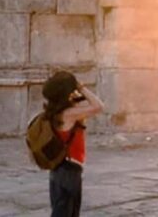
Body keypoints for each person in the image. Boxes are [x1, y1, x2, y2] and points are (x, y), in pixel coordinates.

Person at [41, 71, 104, 217]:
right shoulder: (69, 114)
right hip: (69, 169)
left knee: (62, 210)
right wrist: (80, 87)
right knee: (67, 213)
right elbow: (99, 106)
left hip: (58, 168)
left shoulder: (55, 112)